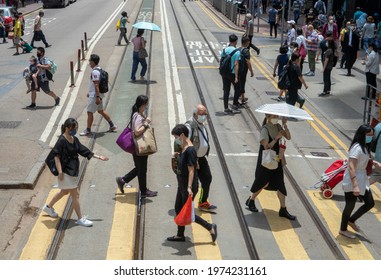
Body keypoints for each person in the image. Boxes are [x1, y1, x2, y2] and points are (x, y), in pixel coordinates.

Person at [42, 118, 109, 227]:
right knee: (75, 194)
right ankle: (80, 219)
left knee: (64, 192)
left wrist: (98, 156)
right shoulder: (61, 140)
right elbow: (56, 157)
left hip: (72, 170)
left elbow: (83, 150)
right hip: (65, 171)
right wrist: (60, 172)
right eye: (74, 128)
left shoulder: (74, 139)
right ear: (68, 128)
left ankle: (48, 207)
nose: (75, 130)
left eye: (76, 128)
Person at [167, 124, 217, 242]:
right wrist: (178, 156)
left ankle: (210, 227)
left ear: (182, 136)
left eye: (176, 137)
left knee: (188, 212)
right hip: (182, 185)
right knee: (178, 208)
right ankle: (180, 235)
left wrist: (189, 187)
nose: (176, 140)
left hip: (187, 186)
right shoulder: (184, 149)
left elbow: (192, 170)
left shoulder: (190, 150)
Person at [245, 114, 295, 220]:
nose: (276, 118)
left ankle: (283, 209)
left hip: (277, 159)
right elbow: (266, 146)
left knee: (280, 183)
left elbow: (288, 137)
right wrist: (276, 138)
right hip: (267, 160)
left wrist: (285, 125)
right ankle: (251, 200)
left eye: (277, 116)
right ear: (268, 117)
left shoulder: (278, 127)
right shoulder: (265, 129)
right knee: (263, 182)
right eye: (273, 116)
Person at [116, 95, 158, 197]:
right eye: (146, 104)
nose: (147, 106)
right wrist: (146, 123)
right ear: (142, 105)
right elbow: (137, 131)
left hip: (137, 147)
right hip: (140, 146)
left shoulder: (137, 114)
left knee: (140, 168)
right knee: (142, 169)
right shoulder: (138, 116)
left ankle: (123, 180)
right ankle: (142, 190)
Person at [339, 124, 376, 239]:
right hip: (353, 179)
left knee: (370, 203)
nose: (371, 137)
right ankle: (343, 229)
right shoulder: (357, 148)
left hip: (362, 178)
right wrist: (355, 186)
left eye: (372, 135)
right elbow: (351, 167)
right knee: (350, 205)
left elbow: (363, 159)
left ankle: (351, 220)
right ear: (363, 135)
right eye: (369, 135)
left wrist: (373, 162)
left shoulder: (364, 146)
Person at [182, 104, 217, 211]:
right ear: (195, 114)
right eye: (201, 114)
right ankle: (186, 206)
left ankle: (202, 201)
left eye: (205, 114)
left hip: (201, 159)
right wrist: (193, 158)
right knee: (194, 186)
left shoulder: (201, 123)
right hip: (193, 160)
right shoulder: (189, 126)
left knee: (207, 178)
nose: (204, 116)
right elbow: (183, 142)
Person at [79, 54, 117, 136]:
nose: (89, 63)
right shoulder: (100, 69)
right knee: (100, 111)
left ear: (93, 62)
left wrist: (97, 97)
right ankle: (112, 125)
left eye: (90, 61)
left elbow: (96, 85)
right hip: (98, 94)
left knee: (89, 112)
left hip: (95, 96)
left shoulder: (95, 72)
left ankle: (88, 130)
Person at [221, 34, 241, 114]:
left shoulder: (224, 50)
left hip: (225, 73)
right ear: (236, 41)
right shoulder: (237, 52)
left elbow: (221, 61)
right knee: (237, 89)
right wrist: (236, 77)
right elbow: (236, 64)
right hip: (232, 73)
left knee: (226, 90)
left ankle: (226, 108)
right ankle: (235, 104)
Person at [238, 36, 254, 105]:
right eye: (248, 42)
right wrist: (251, 71)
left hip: (237, 69)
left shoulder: (238, 49)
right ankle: (240, 98)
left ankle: (243, 97)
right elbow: (248, 62)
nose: (249, 43)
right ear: (246, 43)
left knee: (239, 83)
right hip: (243, 70)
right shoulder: (246, 51)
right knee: (242, 83)